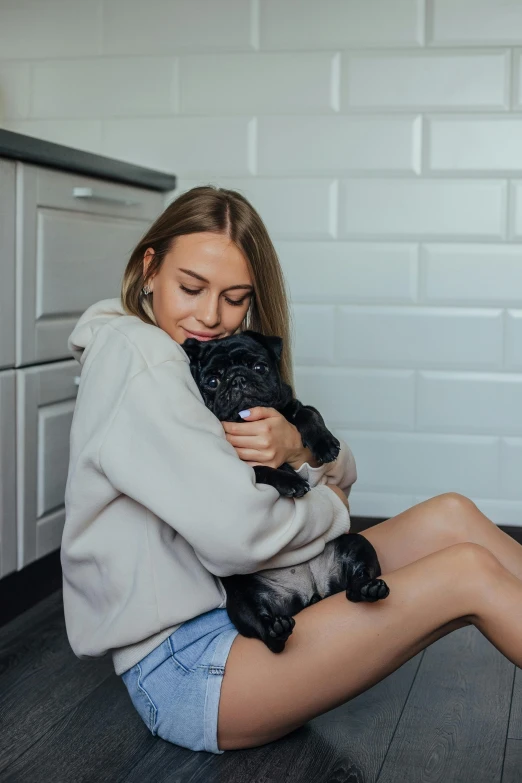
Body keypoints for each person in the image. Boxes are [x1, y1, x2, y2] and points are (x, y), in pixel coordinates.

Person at [61, 185, 522, 756]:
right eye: (191, 287)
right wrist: (330, 507)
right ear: (148, 268)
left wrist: (298, 450)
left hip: (246, 612)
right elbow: (242, 535)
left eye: (235, 298)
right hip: (193, 667)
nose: (210, 316)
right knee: (467, 574)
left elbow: (337, 464)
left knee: (453, 515)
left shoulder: (197, 359)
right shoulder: (143, 359)